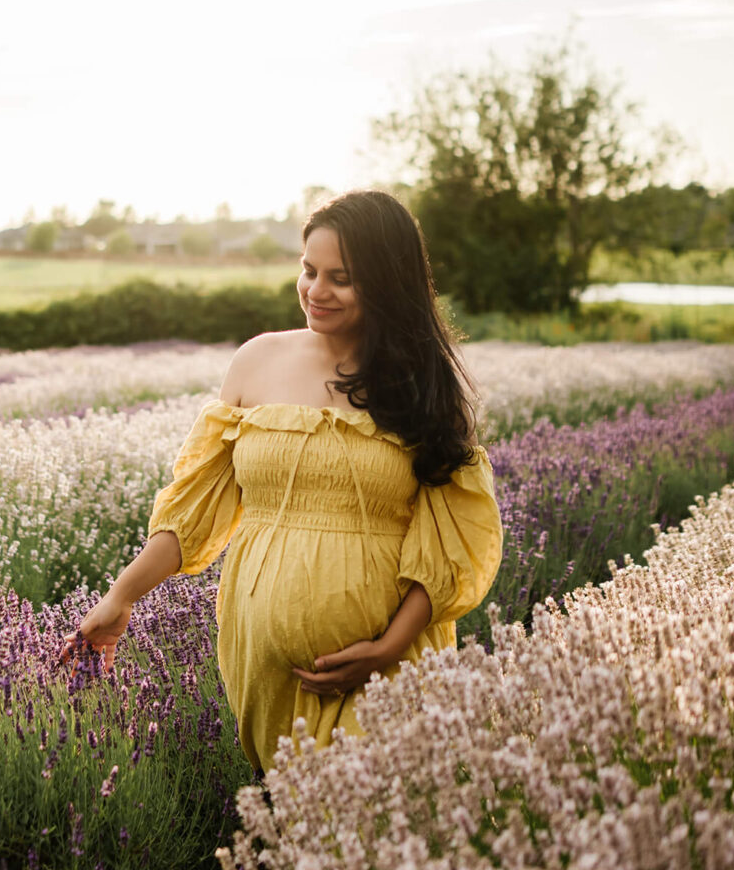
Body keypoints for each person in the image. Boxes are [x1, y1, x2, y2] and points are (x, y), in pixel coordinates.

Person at [61, 189, 503, 772]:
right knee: (301, 832)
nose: (316, 291)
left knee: (373, 829)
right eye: (308, 270)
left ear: (386, 281)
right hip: (266, 672)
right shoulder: (256, 362)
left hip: (388, 667)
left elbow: (451, 543)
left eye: (340, 278)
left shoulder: (422, 387)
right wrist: (119, 600)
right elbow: (193, 513)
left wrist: (387, 649)